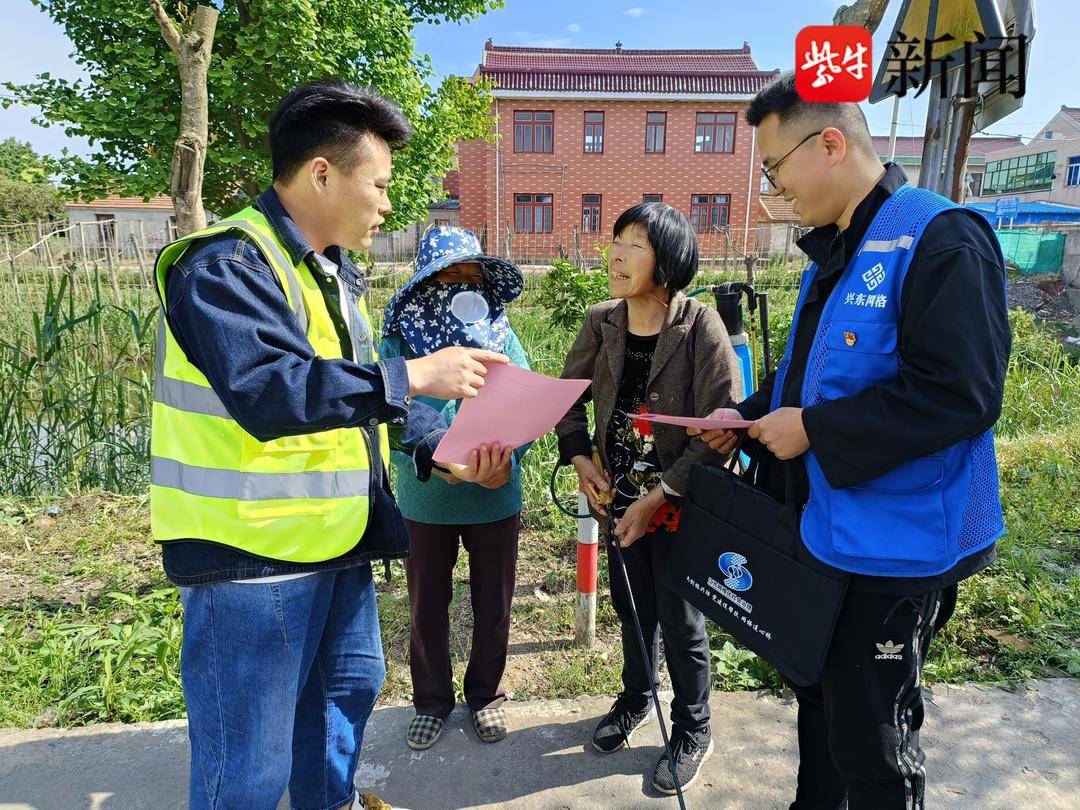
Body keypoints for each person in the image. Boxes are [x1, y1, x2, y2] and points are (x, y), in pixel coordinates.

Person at [151, 79, 508, 810]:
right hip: (252, 568)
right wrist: (416, 372)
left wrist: (434, 449)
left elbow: (350, 402)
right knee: (246, 772)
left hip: (338, 547)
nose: (386, 204)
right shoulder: (224, 266)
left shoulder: (334, 275)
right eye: (377, 184)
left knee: (339, 719)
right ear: (322, 173)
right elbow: (272, 391)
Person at [694, 73, 1011, 809]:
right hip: (823, 535)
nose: (772, 190)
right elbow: (807, 383)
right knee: (822, 708)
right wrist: (744, 416)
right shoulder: (835, 253)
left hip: (896, 554)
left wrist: (812, 429)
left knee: (874, 740)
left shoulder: (940, 237)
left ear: (830, 143)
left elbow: (960, 394)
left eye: (773, 169)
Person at [555, 203, 742, 795]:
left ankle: (693, 727)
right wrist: (581, 456)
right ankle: (637, 697)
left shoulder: (700, 325)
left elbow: (723, 429)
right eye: (617, 239)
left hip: (678, 504)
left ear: (669, 260)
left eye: (635, 243)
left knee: (681, 620)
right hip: (619, 501)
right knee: (630, 607)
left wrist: (662, 493)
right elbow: (565, 396)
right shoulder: (602, 321)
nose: (616, 253)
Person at [379, 226, 531, 749]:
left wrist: (507, 462)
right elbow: (394, 412)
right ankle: (432, 701)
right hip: (426, 498)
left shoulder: (502, 334)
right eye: (451, 273)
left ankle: (486, 695)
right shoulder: (399, 340)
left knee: (495, 602)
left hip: (495, 494)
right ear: (425, 282)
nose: (464, 283)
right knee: (427, 603)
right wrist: (442, 460)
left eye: (473, 274)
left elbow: (527, 405)